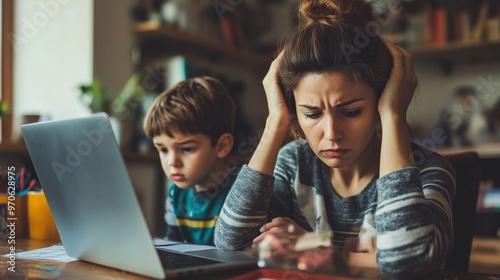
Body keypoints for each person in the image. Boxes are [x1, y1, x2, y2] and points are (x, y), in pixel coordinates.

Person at [214, 0, 456, 278]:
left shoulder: (429, 171)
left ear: (382, 99)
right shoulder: (294, 162)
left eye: (351, 112)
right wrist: (275, 123)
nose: (331, 134)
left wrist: (393, 116)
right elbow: (230, 244)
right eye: (312, 114)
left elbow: (404, 261)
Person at [143, 76, 238, 245]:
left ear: (222, 146)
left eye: (187, 149)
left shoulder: (240, 192)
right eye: (163, 149)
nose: (172, 162)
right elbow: (174, 248)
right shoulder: (176, 196)